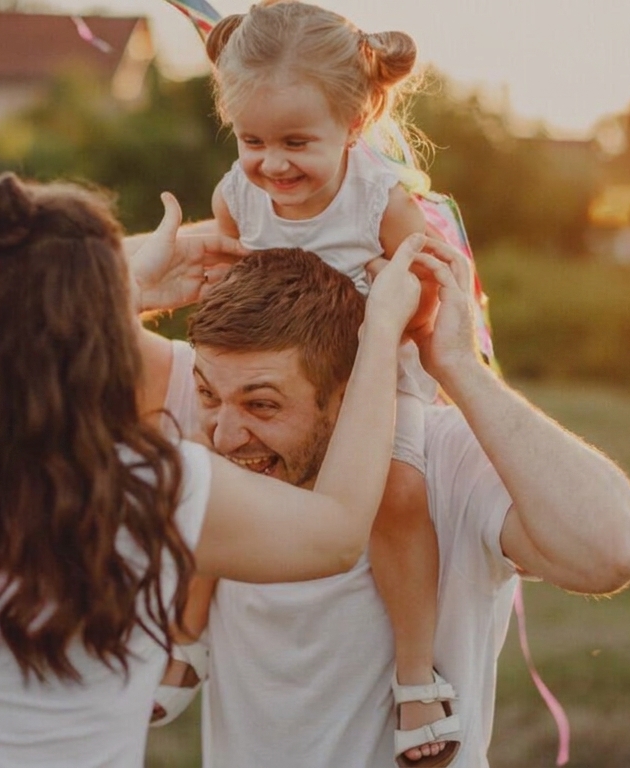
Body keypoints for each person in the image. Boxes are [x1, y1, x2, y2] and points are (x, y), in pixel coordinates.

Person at [0, 173, 428, 768]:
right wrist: (378, 333)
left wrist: (117, 288)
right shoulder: (134, 490)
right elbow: (338, 530)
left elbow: (2, 319)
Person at [135, 225, 630, 767]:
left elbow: (612, 554)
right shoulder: (219, 404)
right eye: (208, 395)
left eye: (263, 406)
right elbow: (40, 334)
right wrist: (144, 280)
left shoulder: (441, 454)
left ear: (350, 391)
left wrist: (459, 367)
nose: (223, 434)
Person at [157, 4, 457, 762]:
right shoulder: (239, 191)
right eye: (253, 140)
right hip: (272, 372)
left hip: (374, 365)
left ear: (355, 125)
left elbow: (424, 287)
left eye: (296, 142)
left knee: (396, 494)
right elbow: (232, 249)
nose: (272, 164)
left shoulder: (380, 201)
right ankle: (187, 635)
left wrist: (396, 305)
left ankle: (414, 676)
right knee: (210, 472)